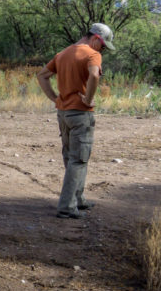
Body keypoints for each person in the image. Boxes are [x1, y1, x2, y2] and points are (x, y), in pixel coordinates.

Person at [36, 23, 115, 218]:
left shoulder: (62, 54)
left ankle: (78, 199)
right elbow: (94, 75)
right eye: (103, 45)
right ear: (96, 38)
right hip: (80, 114)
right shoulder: (92, 54)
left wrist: (56, 99)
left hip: (63, 113)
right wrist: (88, 99)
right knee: (79, 159)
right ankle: (66, 207)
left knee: (71, 157)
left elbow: (42, 75)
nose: (103, 49)